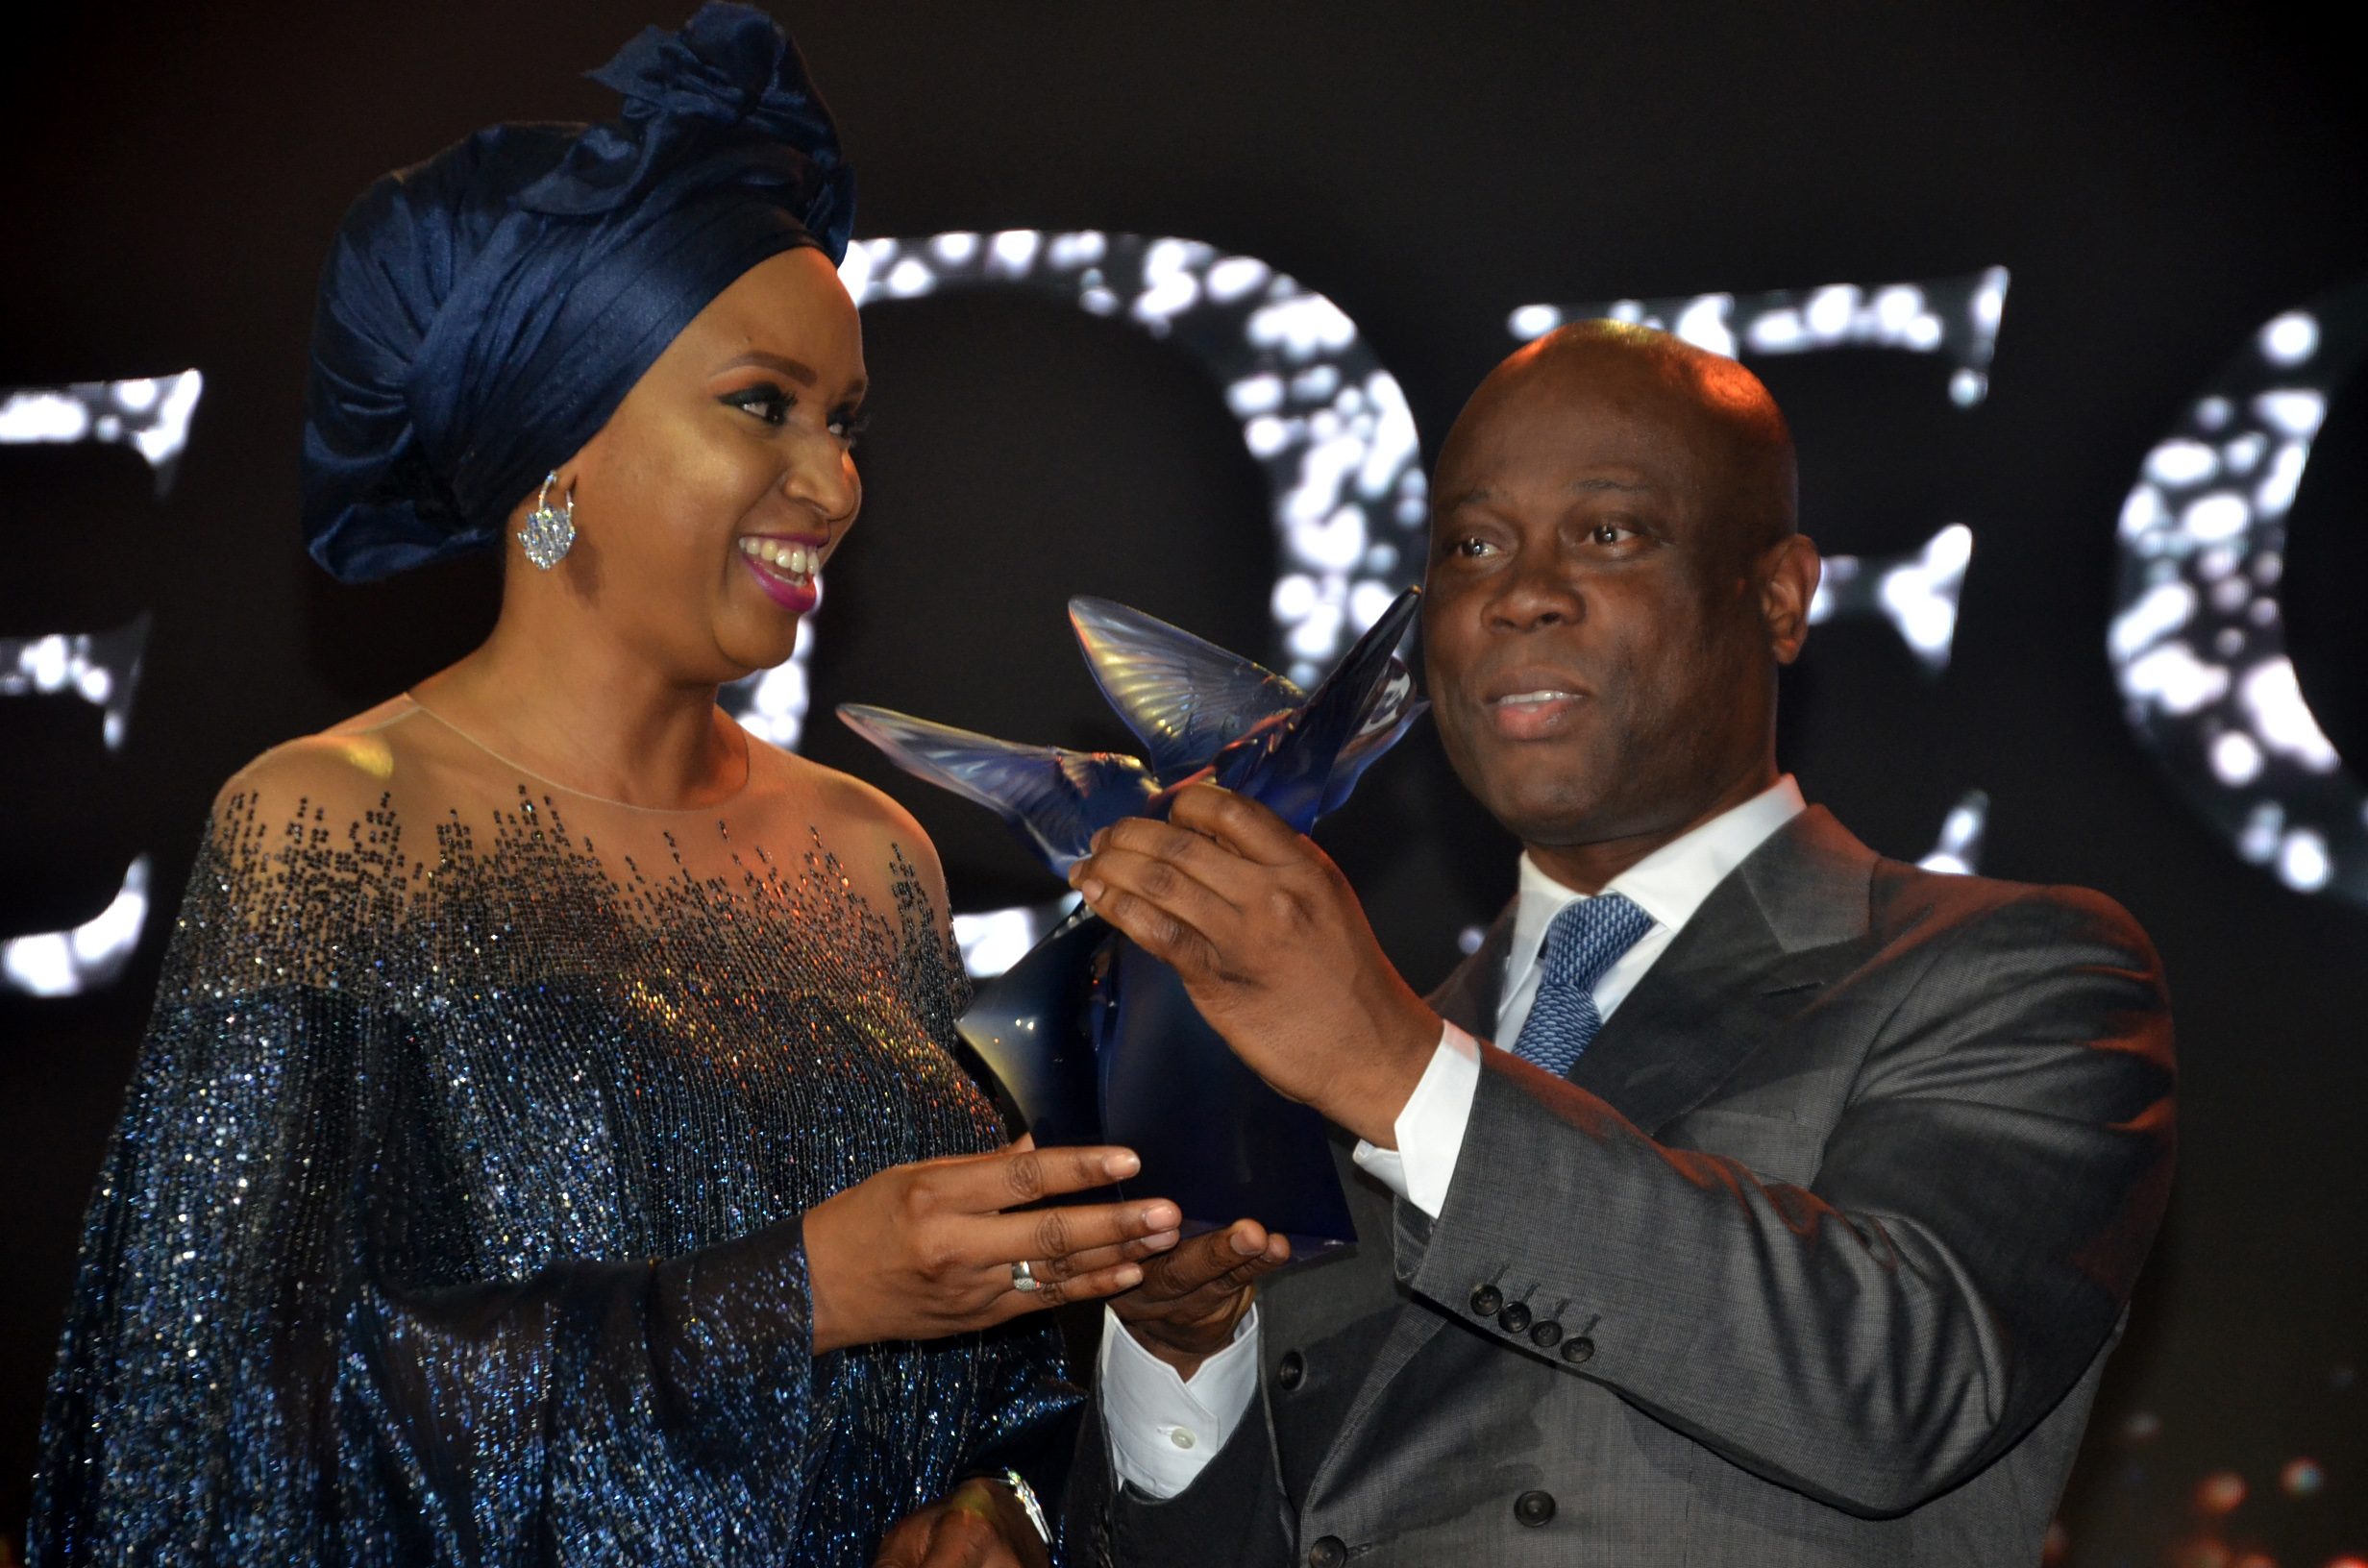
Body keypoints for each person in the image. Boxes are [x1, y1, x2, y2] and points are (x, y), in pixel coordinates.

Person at [29, 10, 1185, 1567]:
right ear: (557, 441)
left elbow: (996, 1351)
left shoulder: (875, 856)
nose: (834, 483)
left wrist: (1007, 1497)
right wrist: (796, 1293)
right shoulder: (335, 826)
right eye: (762, 404)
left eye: (845, 421)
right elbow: (198, 1435)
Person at [1062, 322, 2177, 1565]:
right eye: (1473, 546)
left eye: (1608, 532)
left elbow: (1902, 1387)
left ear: (1780, 595)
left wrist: (1400, 1071)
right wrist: (1181, 1359)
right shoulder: (1339, 1074)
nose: (1520, 593)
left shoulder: (2014, 974)